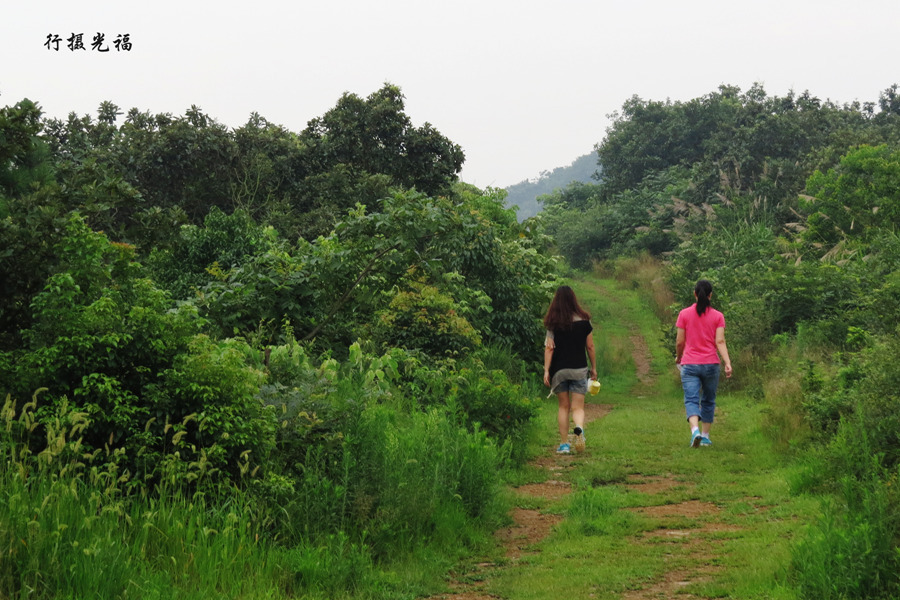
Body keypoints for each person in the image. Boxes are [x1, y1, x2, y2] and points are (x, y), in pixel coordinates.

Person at [675, 279, 733, 448]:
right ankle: (705, 436)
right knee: (708, 400)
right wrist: (727, 362)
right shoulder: (718, 316)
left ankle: (695, 432)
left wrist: (679, 357)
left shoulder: (684, 314)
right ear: (710, 295)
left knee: (691, 399)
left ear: (695, 294)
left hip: (690, 364)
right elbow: (720, 341)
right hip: (711, 364)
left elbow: (680, 342)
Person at [543, 285, 597, 454]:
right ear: (573, 299)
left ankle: (564, 444)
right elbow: (590, 346)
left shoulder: (553, 322)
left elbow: (549, 348)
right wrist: (593, 368)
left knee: (563, 407)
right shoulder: (584, 320)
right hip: (579, 369)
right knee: (578, 407)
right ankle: (579, 428)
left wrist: (546, 370)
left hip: (559, 371)